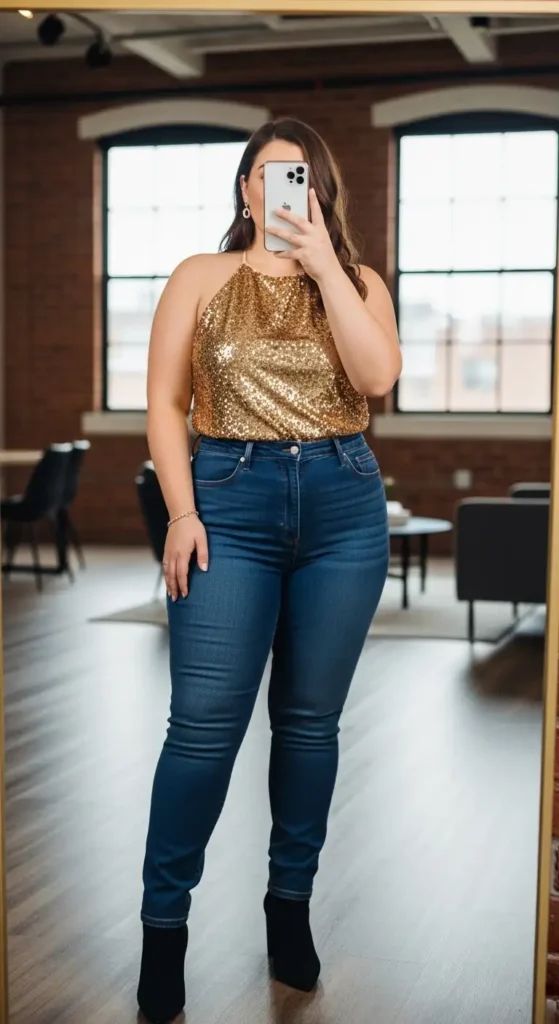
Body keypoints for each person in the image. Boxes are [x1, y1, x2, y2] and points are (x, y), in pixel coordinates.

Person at [136, 116, 402, 1024]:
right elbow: (165, 402)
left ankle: (288, 905)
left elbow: (373, 380)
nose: (280, 186)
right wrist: (182, 513)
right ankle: (163, 928)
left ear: (319, 191)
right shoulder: (198, 277)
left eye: (298, 174)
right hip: (228, 502)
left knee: (309, 725)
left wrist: (325, 267)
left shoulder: (358, 282)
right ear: (244, 189)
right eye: (264, 172)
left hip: (343, 502)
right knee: (201, 730)